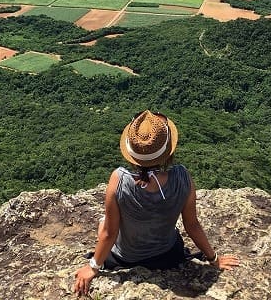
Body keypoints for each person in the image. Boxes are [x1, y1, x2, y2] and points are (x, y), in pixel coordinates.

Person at [74, 110, 240, 296]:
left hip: (127, 258)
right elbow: (192, 225)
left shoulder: (119, 180)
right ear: (168, 151)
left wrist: (93, 267)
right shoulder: (182, 177)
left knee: (104, 222)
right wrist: (214, 259)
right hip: (168, 255)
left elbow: (109, 234)